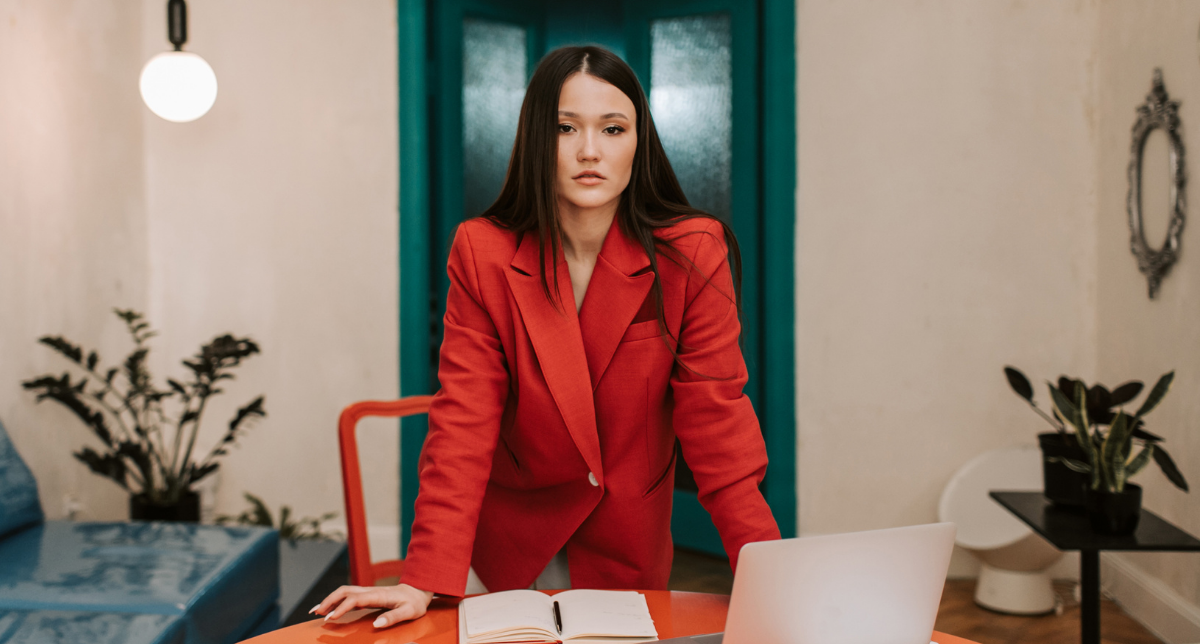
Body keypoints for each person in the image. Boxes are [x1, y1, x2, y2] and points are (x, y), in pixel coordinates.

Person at [313, 45, 779, 629]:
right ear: (537, 138)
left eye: (613, 128)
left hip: (624, 549)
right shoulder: (483, 252)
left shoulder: (692, 253)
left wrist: (767, 573)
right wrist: (422, 576)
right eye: (565, 128)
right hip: (505, 544)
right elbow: (463, 422)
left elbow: (719, 426)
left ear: (640, 140)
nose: (590, 151)